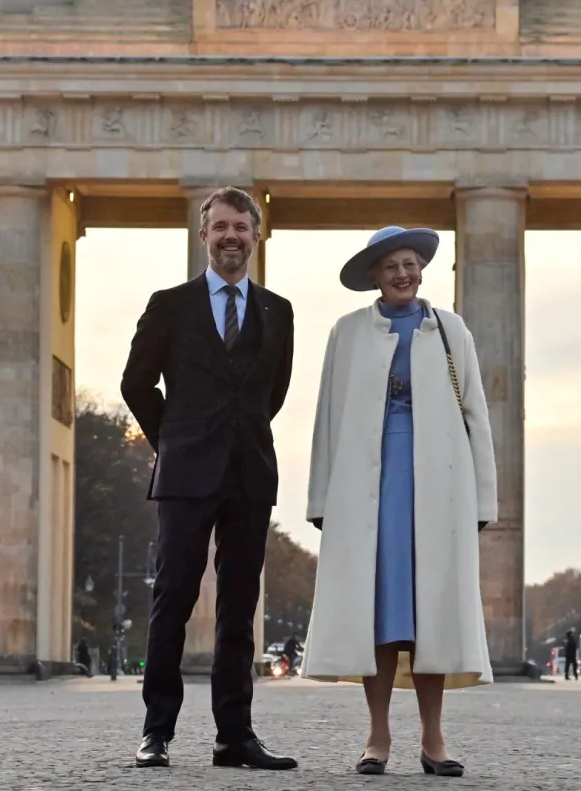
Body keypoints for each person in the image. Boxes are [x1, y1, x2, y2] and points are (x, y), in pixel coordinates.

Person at [301, 226, 498, 778]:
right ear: (374, 276)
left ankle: (435, 737)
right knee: (381, 610)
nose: (403, 273)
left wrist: (484, 497)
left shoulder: (451, 330)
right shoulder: (347, 333)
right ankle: (377, 734)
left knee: (431, 611)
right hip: (368, 485)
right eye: (391, 266)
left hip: (440, 483)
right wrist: (321, 499)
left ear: (422, 268)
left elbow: (475, 416)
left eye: (410, 263)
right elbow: (327, 419)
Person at [121, 186, 296, 771]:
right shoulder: (169, 304)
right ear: (203, 236)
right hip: (186, 471)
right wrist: (173, 440)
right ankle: (156, 731)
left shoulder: (279, 311)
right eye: (219, 227)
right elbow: (135, 384)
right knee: (173, 598)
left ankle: (235, 736)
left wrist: (237, 436)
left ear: (257, 235)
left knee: (239, 608)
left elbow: (273, 394)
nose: (230, 237)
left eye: (241, 228)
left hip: (250, 473)